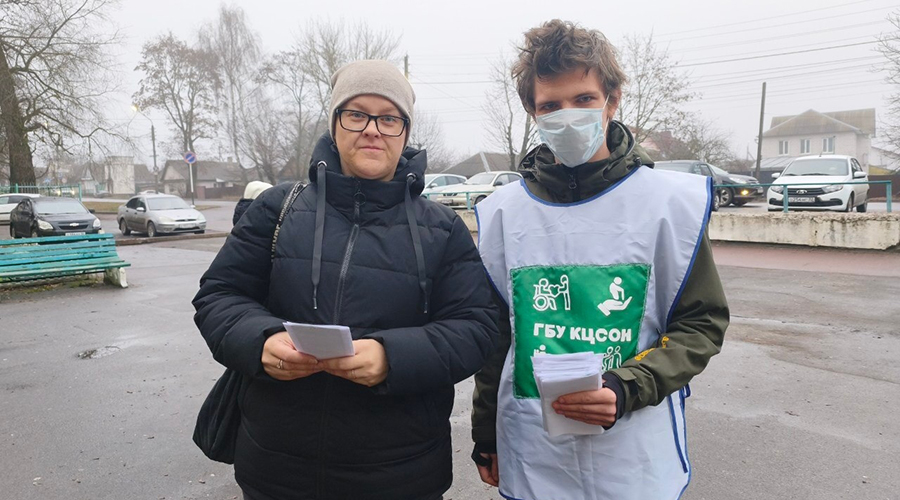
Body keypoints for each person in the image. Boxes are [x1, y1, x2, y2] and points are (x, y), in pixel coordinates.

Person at [194, 59, 498, 500]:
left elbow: (476, 327)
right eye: (356, 114)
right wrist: (261, 342)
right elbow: (220, 295)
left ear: (405, 133)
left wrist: (391, 358)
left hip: (400, 474)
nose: (372, 130)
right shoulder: (277, 209)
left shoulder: (443, 229)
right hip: (276, 469)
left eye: (389, 118)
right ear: (335, 124)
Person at [471, 20, 729, 500]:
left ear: (612, 100)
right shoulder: (502, 213)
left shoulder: (669, 205)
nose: (567, 116)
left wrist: (627, 386)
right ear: (532, 111)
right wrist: (486, 433)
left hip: (632, 457)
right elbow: (495, 340)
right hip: (533, 450)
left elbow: (700, 324)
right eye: (550, 105)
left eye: (584, 99)